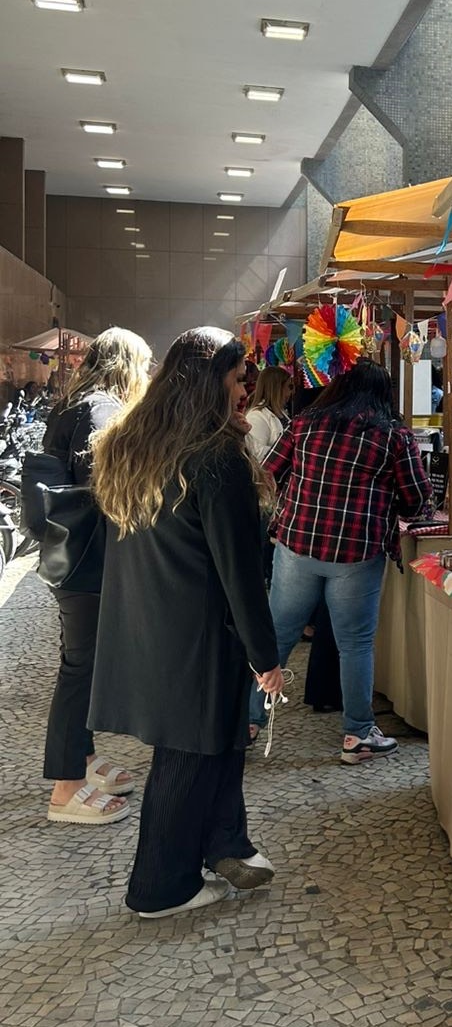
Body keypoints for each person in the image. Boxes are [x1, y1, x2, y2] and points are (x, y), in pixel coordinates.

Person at [89, 327, 285, 918]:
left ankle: (227, 845)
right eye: (236, 377)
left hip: (150, 623)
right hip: (200, 634)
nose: (245, 387)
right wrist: (267, 657)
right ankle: (160, 887)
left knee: (218, 745)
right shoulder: (214, 454)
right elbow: (239, 570)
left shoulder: (133, 441)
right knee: (188, 755)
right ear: (211, 383)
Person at [253, 359, 432, 763]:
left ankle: (248, 722)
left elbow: (267, 472)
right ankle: (357, 735)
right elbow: (417, 500)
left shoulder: (304, 423)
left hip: (297, 544)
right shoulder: (394, 436)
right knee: (355, 645)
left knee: (277, 636)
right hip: (356, 552)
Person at [42, 327, 153, 826]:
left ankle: (82, 761)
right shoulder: (102, 410)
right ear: (127, 364)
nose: (148, 375)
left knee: (78, 664)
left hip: (68, 557)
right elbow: (108, 494)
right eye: (144, 365)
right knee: (79, 671)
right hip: (90, 562)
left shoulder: (72, 404)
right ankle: (66, 790)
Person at [244, 365, 294, 462]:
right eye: (289, 387)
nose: (291, 392)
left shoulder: (280, 412)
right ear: (278, 388)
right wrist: (288, 453)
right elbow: (256, 452)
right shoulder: (256, 416)